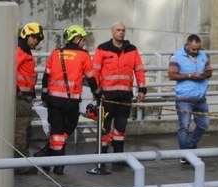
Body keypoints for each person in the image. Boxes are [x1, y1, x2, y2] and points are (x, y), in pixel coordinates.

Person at [86, 22, 146, 175]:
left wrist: (142, 88)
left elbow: (139, 70)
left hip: (125, 96)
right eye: (118, 30)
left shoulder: (132, 50)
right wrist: (97, 91)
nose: (121, 33)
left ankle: (119, 157)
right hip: (107, 96)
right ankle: (102, 157)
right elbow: (95, 71)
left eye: (123, 30)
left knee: (121, 127)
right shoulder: (102, 49)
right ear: (112, 32)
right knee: (105, 127)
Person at [40, 25, 94, 175]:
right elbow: (91, 78)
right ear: (76, 39)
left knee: (56, 132)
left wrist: (44, 97)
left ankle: (46, 156)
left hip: (53, 101)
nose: (84, 43)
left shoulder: (55, 53)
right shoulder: (83, 55)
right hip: (71, 101)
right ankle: (57, 165)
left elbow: (45, 77)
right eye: (83, 40)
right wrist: (97, 93)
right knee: (67, 129)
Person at [170, 34, 212, 162]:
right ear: (187, 45)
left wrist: (204, 75)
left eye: (198, 49)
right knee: (184, 127)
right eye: (193, 49)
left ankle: (191, 146)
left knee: (204, 124)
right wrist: (189, 75)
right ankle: (185, 155)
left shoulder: (202, 55)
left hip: (200, 98)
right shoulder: (176, 56)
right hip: (184, 98)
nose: (196, 51)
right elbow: (172, 75)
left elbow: (209, 71)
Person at [13, 22, 44, 175]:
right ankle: (21, 165)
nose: (36, 41)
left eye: (39, 39)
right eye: (34, 38)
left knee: (24, 132)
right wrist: (17, 90)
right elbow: (10, 70)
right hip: (20, 99)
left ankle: (21, 163)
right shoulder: (21, 51)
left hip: (24, 98)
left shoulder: (23, 51)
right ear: (26, 35)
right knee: (21, 133)